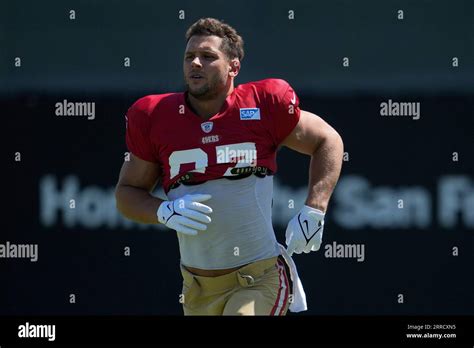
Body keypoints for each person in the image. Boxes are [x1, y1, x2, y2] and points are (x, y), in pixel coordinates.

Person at [115, 17, 343, 316]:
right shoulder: (155, 116)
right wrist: (162, 211)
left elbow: (328, 139)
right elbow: (127, 193)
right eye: (189, 56)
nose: (195, 63)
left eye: (208, 56)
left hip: (257, 279)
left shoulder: (263, 104)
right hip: (196, 287)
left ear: (234, 66)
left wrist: (315, 209)